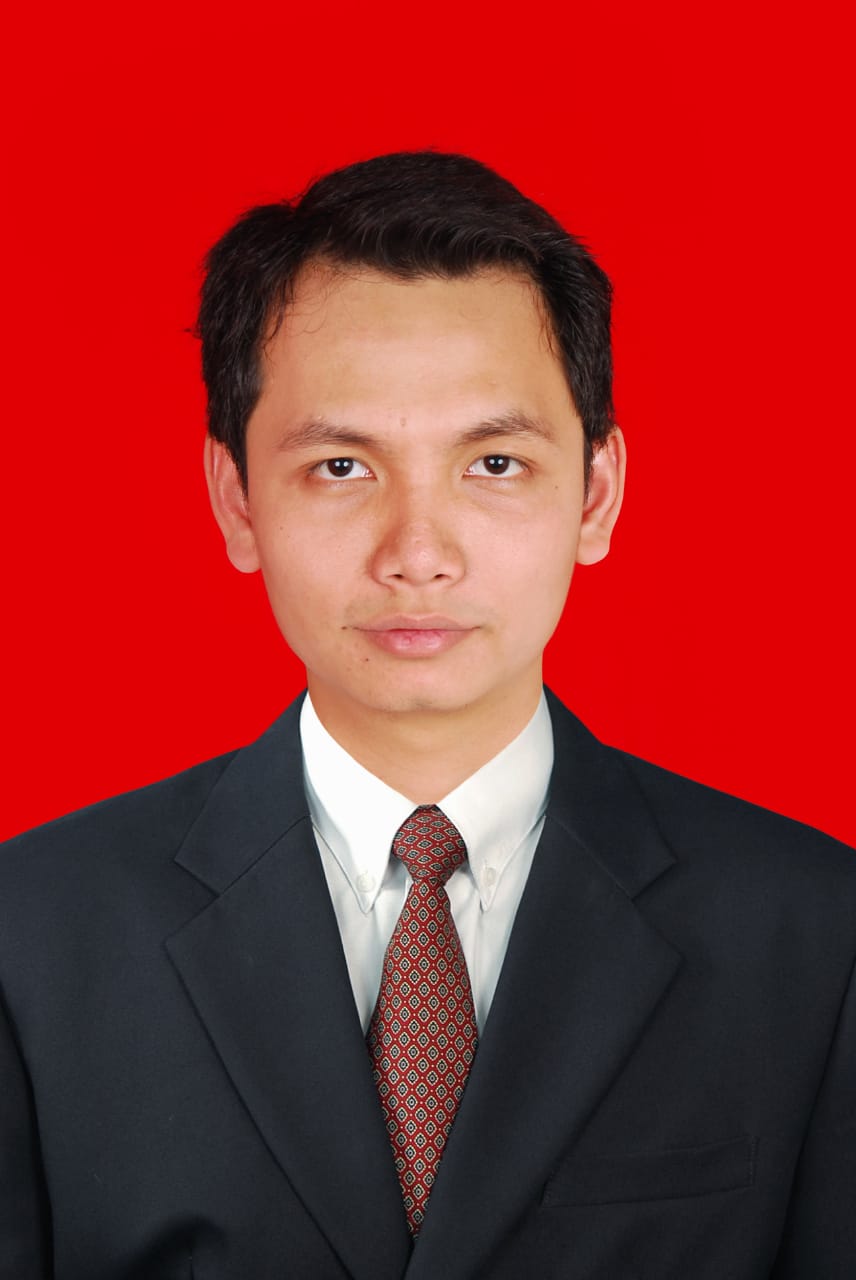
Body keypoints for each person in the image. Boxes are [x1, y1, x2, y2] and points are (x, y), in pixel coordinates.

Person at [0, 151, 854, 1280]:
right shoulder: (32, 933)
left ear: (596, 493)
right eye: (341, 466)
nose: (417, 554)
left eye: (493, 462)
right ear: (236, 498)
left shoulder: (813, 933)